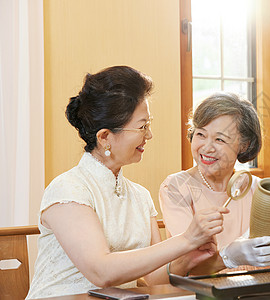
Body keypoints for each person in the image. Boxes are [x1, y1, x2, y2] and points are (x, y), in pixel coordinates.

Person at [27, 66, 228, 299]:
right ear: (105, 137)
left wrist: (187, 258)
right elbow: (101, 272)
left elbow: (153, 278)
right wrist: (186, 239)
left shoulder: (140, 195)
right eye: (142, 126)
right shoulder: (69, 189)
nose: (149, 135)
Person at [159, 92, 270, 272]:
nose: (207, 147)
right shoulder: (176, 187)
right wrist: (229, 257)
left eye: (220, 139)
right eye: (201, 134)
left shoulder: (258, 189)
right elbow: (188, 267)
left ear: (244, 145)